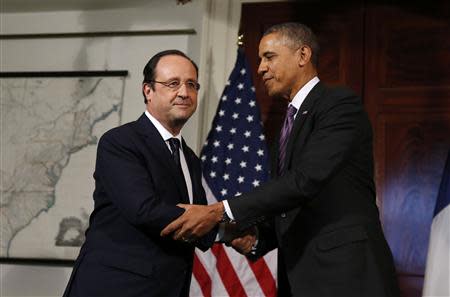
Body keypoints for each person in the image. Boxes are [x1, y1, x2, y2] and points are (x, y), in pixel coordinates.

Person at [161, 23, 400, 297]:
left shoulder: (338, 105)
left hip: (347, 276)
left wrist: (218, 210)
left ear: (302, 55)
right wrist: (256, 239)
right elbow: (291, 205)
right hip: (301, 278)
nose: (261, 68)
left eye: (269, 57)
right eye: (260, 59)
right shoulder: (287, 125)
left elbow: (304, 181)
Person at [63, 49, 216, 297]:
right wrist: (218, 220)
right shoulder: (121, 142)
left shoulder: (190, 160)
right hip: (115, 288)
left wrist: (227, 228)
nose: (184, 93)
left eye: (192, 85)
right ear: (148, 90)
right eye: (173, 83)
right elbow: (144, 210)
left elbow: (196, 226)